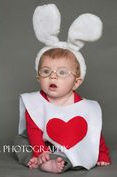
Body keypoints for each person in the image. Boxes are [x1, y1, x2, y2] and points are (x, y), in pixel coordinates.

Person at [14, 4, 111, 173]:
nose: (53, 76)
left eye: (62, 72)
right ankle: (36, 159)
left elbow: (95, 134)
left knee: (76, 152)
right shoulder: (34, 102)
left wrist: (102, 154)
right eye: (46, 72)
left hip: (67, 145)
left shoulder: (86, 108)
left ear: (76, 82)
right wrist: (39, 150)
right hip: (42, 143)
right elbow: (34, 130)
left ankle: (55, 163)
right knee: (20, 141)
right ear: (38, 77)